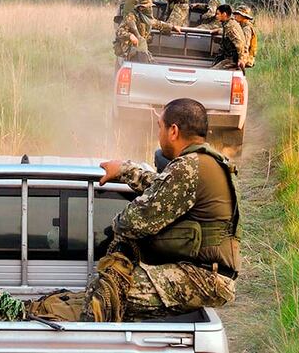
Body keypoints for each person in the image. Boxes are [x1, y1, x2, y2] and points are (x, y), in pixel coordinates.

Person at [82, 98, 240, 322]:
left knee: (105, 294)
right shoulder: (205, 162)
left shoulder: (188, 166)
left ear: (173, 131)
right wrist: (126, 170)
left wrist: (113, 230)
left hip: (205, 277)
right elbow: (164, 190)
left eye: (160, 126)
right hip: (208, 271)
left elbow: (134, 222)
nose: (159, 134)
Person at [114, 0, 182, 64]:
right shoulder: (131, 17)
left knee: (153, 63)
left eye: (150, 7)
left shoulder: (147, 18)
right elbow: (119, 31)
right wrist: (130, 36)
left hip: (140, 48)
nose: (150, 9)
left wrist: (172, 27)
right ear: (140, 8)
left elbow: (159, 24)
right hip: (129, 47)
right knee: (142, 58)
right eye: (148, 7)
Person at [211, 4, 247, 70]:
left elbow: (239, 44)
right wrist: (219, 31)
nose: (216, 16)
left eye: (218, 14)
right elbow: (228, 33)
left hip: (233, 59)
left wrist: (241, 59)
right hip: (230, 57)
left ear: (224, 14)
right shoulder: (229, 23)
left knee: (213, 72)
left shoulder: (230, 27)